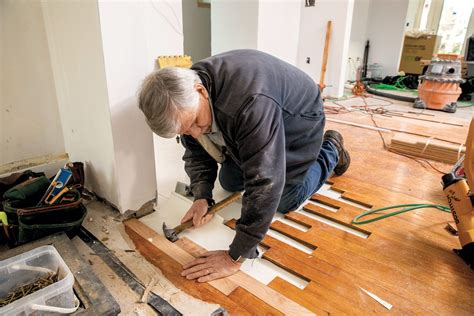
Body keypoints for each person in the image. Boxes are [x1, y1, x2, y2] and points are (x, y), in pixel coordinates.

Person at [138, 49, 350, 282]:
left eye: (196, 123)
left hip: (299, 119)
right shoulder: (187, 95)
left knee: (284, 198)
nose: (195, 133)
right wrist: (201, 196)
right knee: (229, 181)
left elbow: (266, 181)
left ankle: (331, 148)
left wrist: (236, 256)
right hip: (263, 111)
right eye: (186, 130)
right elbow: (196, 149)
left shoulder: (249, 104)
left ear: (201, 92)